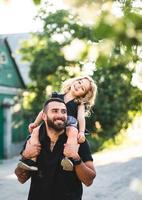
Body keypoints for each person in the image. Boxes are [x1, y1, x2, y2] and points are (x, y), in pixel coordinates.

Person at [19, 98, 96, 200]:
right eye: (55, 111)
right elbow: (21, 178)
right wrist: (26, 156)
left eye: (64, 111)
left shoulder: (78, 141)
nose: (60, 115)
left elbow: (89, 180)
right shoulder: (33, 140)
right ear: (44, 116)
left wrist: (75, 158)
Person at [18, 76, 97, 171]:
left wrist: (81, 132)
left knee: (72, 132)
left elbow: (81, 118)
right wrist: (35, 123)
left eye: (82, 88)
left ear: (84, 95)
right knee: (35, 132)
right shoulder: (56, 96)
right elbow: (44, 111)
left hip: (69, 125)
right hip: (53, 123)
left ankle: (69, 159)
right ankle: (31, 161)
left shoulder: (79, 103)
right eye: (79, 82)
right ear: (75, 81)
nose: (78, 86)